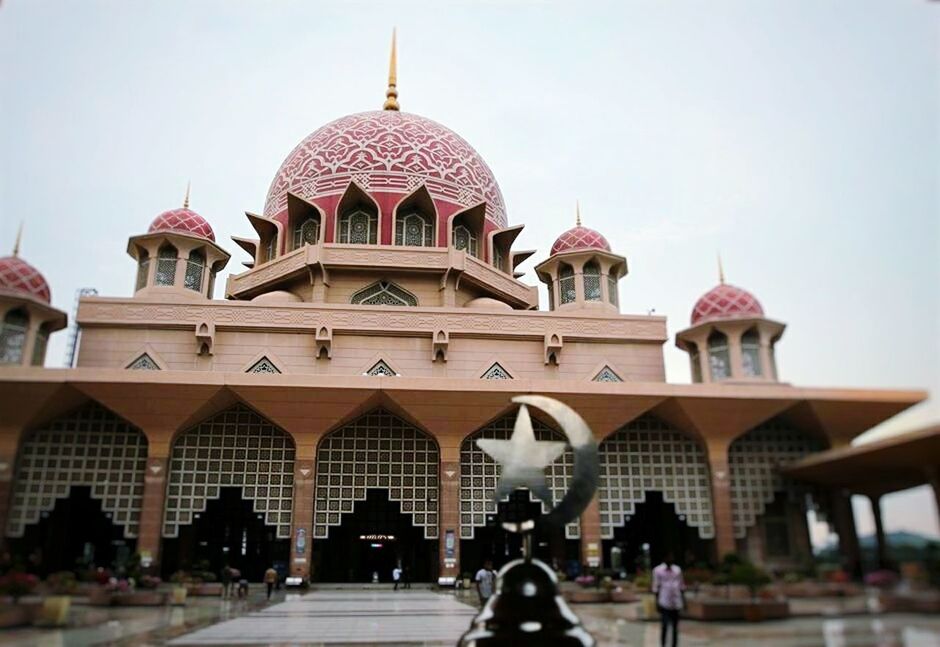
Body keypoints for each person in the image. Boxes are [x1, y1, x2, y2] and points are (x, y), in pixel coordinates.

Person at [652, 554, 685, 647]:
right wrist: (656, 602)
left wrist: (684, 602)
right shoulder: (657, 570)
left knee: (675, 627)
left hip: (676, 601)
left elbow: (681, 585)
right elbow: (656, 587)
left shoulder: (677, 570)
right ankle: (663, 644)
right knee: (665, 626)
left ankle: (674, 645)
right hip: (664, 601)